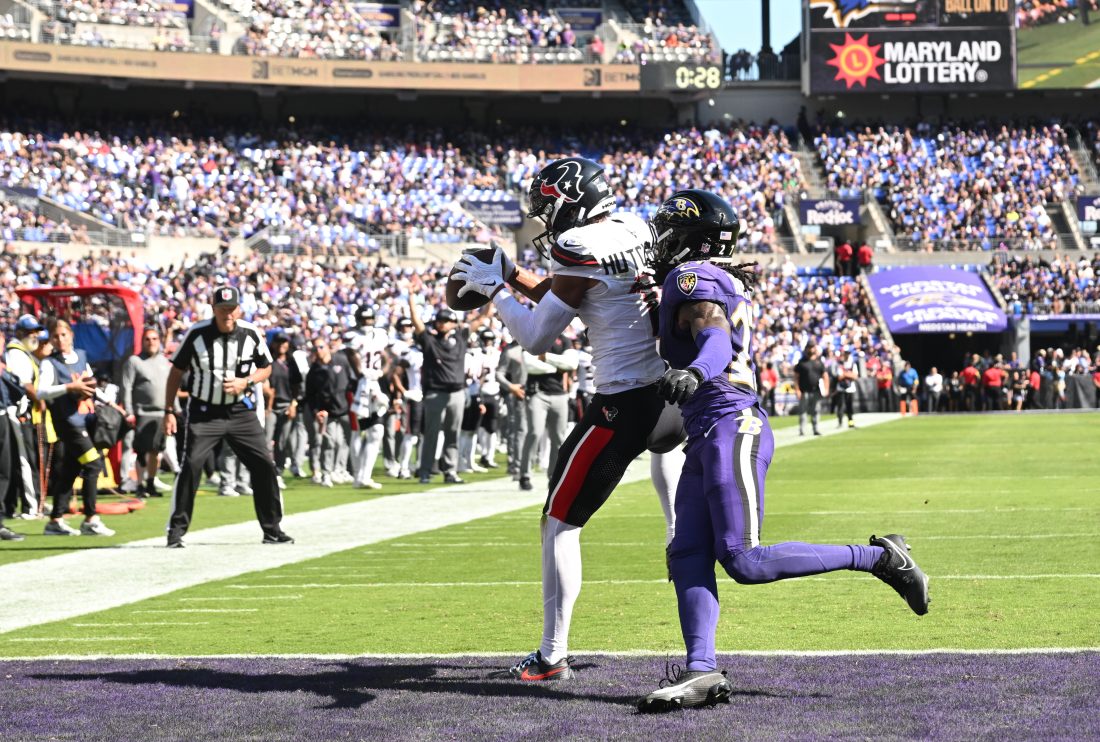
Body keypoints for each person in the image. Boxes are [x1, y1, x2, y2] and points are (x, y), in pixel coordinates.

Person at [637, 190, 929, 713]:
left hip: (732, 422)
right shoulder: (686, 282)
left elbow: (718, 339)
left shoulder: (693, 279)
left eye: (668, 232)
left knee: (744, 559)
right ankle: (701, 669)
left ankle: (882, 557)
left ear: (692, 237)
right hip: (705, 428)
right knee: (686, 555)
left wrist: (695, 372)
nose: (661, 241)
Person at [451, 156, 686, 682]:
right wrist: (512, 275)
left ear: (570, 201)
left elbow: (536, 336)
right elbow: (574, 297)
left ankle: (551, 654)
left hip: (622, 403)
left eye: (547, 206)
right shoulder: (634, 225)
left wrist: (494, 292)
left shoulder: (578, 247)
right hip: (669, 399)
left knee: (559, 523)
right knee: (669, 496)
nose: (543, 217)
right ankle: (679, 543)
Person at [163, 286, 292, 548]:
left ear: (239, 309)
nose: (228, 314)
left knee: (264, 465)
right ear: (213, 309)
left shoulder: (250, 333)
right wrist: (168, 410)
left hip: (240, 411)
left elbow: (265, 368)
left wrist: (246, 381)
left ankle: (272, 528)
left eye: (232, 309)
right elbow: (176, 371)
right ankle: (175, 531)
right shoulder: (197, 333)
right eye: (222, 309)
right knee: (191, 465)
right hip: (204, 412)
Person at [37, 319, 114, 536]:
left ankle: (55, 521)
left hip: (84, 418)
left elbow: (90, 384)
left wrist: (111, 403)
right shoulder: (49, 363)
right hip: (66, 422)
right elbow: (41, 392)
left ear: (71, 335)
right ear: (51, 339)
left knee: (70, 470)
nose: (60, 340)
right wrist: (69, 387)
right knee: (93, 463)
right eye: (55, 336)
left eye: (63, 335)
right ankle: (90, 518)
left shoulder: (81, 356)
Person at [408, 302, 486, 485]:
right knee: (431, 434)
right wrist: (411, 299)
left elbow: (482, 318)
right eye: (439, 321)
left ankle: (450, 471)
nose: (442, 323)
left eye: (446, 320)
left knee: (453, 434)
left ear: (453, 323)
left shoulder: (460, 337)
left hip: (457, 392)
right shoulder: (430, 340)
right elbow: (416, 321)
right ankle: (425, 471)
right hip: (435, 392)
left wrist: (491, 295)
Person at [517, 336, 577, 491]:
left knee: (559, 438)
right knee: (534, 433)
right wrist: (557, 366)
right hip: (538, 393)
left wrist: (545, 357)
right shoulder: (535, 336)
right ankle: (525, 475)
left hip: (559, 394)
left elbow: (572, 363)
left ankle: (554, 477)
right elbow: (530, 364)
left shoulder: (564, 340)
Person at [120, 326, 172, 497]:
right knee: (141, 452)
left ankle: (150, 483)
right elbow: (126, 387)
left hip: (161, 413)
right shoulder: (134, 361)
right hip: (142, 412)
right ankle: (139, 485)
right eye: (147, 339)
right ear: (142, 342)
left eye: (154, 339)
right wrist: (129, 411)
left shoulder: (164, 361)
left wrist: (173, 410)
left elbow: (170, 387)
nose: (151, 342)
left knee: (156, 451)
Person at [4, 314, 47, 518]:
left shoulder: (23, 352)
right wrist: (41, 398)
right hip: (19, 411)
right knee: (25, 460)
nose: (35, 336)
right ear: (20, 332)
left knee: (26, 459)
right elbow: (25, 385)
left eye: (36, 331)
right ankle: (32, 505)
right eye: (31, 332)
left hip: (24, 410)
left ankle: (31, 502)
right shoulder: (17, 353)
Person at [794, 345, 826, 436]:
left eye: (812, 347)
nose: (811, 349)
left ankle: (816, 429)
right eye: (809, 347)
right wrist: (797, 390)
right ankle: (802, 430)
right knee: (803, 411)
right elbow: (796, 377)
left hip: (816, 390)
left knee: (816, 410)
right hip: (804, 391)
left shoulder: (819, 362)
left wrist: (826, 388)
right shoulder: (801, 362)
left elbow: (825, 375)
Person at [835, 348, 858, 428]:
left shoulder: (852, 364)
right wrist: (848, 374)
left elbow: (855, 376)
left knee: (850, 406)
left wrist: (846, 374)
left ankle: (850, 422)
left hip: (850, 388)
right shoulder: (839, 364)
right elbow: (839, 377)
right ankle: (840, 422)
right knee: (840, 406)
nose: (846, 355)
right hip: (841, 388)